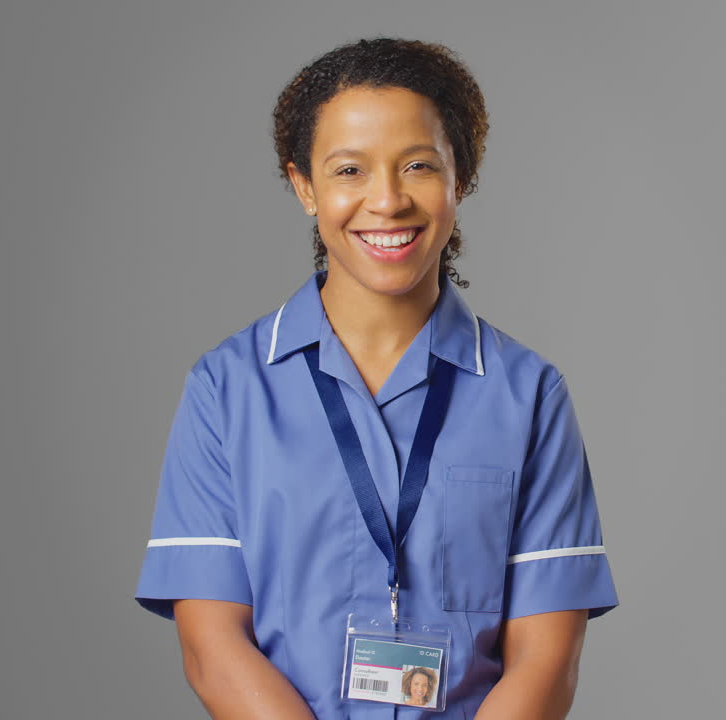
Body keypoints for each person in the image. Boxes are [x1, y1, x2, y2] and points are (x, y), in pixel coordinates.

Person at [134, 37, 618, 720]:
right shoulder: (225, 391)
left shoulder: (530, 396)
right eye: (349, 170)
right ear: (304, 186)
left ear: (460, 178)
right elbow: (212, 646)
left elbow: (548, 659)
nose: (386, 201)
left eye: (418, 165)